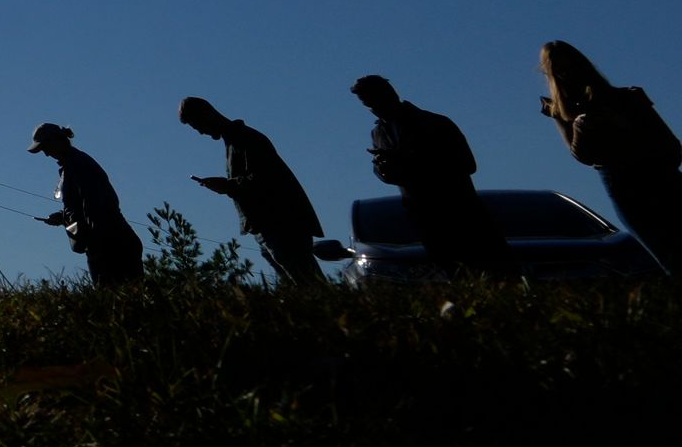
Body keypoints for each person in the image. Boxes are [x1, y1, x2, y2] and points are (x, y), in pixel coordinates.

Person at [539, 40, 682, 275]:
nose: (568, 76)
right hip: (630, 182)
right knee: (667, 255)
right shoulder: (574, 112)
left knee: (671, 252)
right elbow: (582, 155)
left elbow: (669, 145)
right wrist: (573, 122)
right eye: (561, 72)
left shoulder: (625, 100)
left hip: (650, 177)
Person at [354, 74, 507, 277]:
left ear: (390, 95)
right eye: (367, 104)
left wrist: (405, 160)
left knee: (490, 271)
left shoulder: (434, 123)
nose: (372, 108)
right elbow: (390, 172)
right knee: (452, 275)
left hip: (459, 211)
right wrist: (384, 169)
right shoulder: (378, 133)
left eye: (373, 101)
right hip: (424, 218)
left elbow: (466, 164)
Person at [179, 96, 328, 290]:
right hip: (269, 225)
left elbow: (264, 179)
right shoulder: (236, 141)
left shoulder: (245, 139)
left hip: (281, 222)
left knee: (309, 284)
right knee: (300, 285)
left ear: (208, 113)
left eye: (197, 124)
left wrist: (227, 185)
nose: (200, 132)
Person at [30, 125, 145, 287]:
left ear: (57, 141)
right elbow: (81, 205)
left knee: (117, 301)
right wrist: (63, 217)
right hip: (109, 242)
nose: (47, 154)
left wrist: (95, 240)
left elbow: (95, 204)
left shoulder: (77, 164)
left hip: (111, 244)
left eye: (46, 148)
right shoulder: (72, 165)